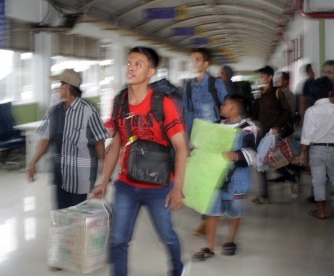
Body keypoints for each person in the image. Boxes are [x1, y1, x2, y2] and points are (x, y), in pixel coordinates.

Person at [91, 46, 188, 276]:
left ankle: (177, 268)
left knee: (167, 236)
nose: (131, 67)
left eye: (138, 64)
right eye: (129, 63)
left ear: (150, 72)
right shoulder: (120, 102)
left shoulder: (163, 104)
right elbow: (116, 144)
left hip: (159, 187)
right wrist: (104, 180)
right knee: (118, 240)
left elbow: (181, 148)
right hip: (126, 183)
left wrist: (178, 188)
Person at [27, 68, 108, 210]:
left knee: (78, 215)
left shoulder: (89, 110)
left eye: (60, 85)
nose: (58, 89)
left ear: (68, 86)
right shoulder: (55, 111)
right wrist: (33, 162)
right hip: (60, 174)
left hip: (81, 175)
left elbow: (98, 141)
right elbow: (45, 139)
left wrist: (105, 168)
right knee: (61, 215)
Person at [193, 94, 257, 260]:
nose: (221, 107)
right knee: (212, 212)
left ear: (233, 108)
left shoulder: (247, 128)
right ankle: (210, 247)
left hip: (236, 180)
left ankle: (230, 241)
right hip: (215, 178)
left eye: (224, 105)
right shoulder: (216, 125)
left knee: (235, 211)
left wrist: (235, 155)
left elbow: (251, 153)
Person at [183, 48, 229, 236]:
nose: (194, 63)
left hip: (215, 138)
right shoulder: (187, 86)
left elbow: (227, 109)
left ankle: (208, 219)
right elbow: (186, 114)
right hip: (198, 139)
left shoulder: (216, 84)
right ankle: (209, 215)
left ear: (206, 63)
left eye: (197, 59)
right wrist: (186, 141)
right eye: (192, 59)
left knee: (213, 179)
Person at [251, 65, 299, 204]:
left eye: (262, 76)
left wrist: (277, 126)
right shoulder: (259, 93)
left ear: (269, 77)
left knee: (274, 162)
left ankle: (291, 178)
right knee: (260, 163)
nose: (259, 79)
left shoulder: (277, 93)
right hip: (262, 132)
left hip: (274, 133)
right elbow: (256, 111)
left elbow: (286, 112)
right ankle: (264, 195)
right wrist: (251, 119)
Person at [300, 76, 334, 219]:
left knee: (318, 181)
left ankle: (321, 212)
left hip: (316, 150)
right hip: (333, 149)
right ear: (330, 92)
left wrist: (303, 154)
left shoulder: (311, 111)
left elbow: (306, 137)